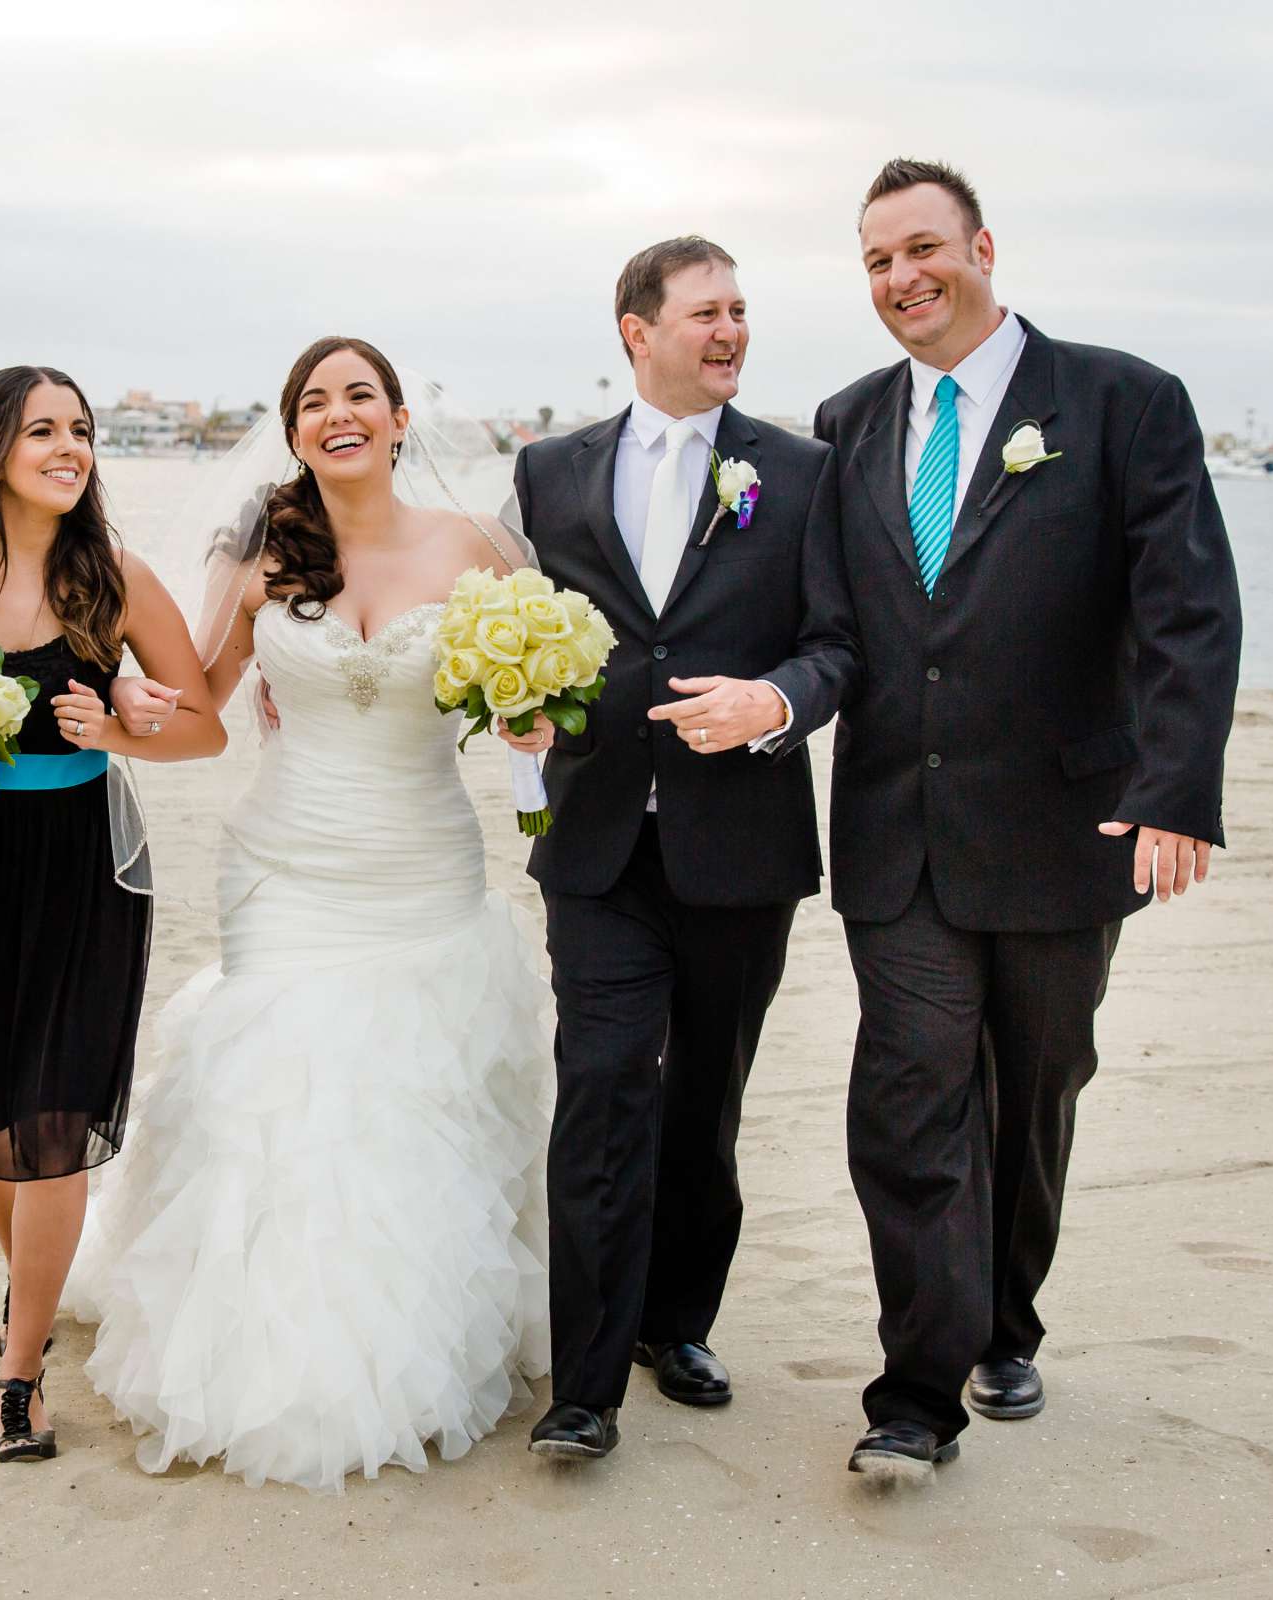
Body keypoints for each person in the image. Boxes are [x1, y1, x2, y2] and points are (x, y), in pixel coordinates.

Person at [812, 160, 1242, 1478]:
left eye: (923, 248)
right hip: (900, 830)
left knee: (1037, 1083)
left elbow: (1187, 608)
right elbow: (817, 614)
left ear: (984, 248)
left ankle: (1008, 1320)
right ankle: (914, 1397)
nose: (902, 279)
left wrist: (1176, 788)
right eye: (878, 260)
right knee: (910, 1089)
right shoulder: (840, 422)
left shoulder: (1121, 403)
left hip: (1071, 826)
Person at [66, 337, 553, 1492]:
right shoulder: (258, 557)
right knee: (287, 1087)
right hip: (286, 865)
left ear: (396, 421)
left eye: (359, 397)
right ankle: (271, 1343)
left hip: (423, 861)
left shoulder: (476, 548)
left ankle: (414, 1322)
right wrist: (122, 716)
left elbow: (545, 692)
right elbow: (203, 718)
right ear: (293, 432)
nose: (339, 416)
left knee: (404, 1093)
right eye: (314, 403)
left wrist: (541, 725)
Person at [504, 237, 854, 1460]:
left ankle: (678, 1321)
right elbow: (522, 633)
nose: (732, 331)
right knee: (601, 1090)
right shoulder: (549, 473)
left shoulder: (803, 473)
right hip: (597, 843)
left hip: (740, 844)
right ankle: (584, 1388)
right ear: (635, 329)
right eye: (707, 311)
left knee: (706, 1097)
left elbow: (838, 643)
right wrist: (511, 705)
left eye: (742, 311)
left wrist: (776, 703)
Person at [0, 365, 222, 1464]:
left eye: (82, 431)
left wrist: (116, 732)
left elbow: (203, 724)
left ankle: (20, 1377)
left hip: (81, 872)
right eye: (44, 430)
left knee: (54, 1117)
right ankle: (32, 1296)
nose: (70, 448)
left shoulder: (112, 576)